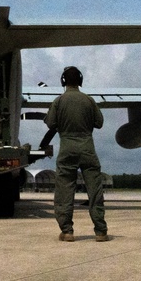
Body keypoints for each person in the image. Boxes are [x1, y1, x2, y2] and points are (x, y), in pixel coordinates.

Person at [44, 66, 109, 242]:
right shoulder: (89, 100)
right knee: (95, 190)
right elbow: (99, 123)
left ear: (63, 81)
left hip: (67, 149)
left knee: (65, 190)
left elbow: (50, 123)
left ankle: (67, 231)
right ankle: (101, 231)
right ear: (80, 81)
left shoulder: (59, 101)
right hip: (87, 148)